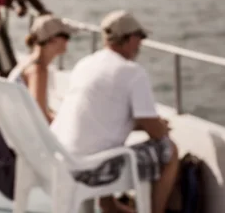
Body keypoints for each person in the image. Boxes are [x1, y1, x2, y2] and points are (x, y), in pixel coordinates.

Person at [50, 11, 178, 213]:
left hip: (60, 159)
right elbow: (156, 133)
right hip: (90, 170)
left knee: (103, 143)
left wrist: (141, 124)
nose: (141, 44)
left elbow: (103, 116)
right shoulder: (133, 72)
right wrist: (161, 126)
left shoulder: (86, 64)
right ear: (129, 38)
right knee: (169, 150)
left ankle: (109, 205)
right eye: (140, 37)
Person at [9, 14, 74, 123]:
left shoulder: (27, 62)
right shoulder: (37, 70)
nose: (68, 42)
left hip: (16, 128)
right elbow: (39, 117)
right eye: (66, 37)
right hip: (27, 134)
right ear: (53, 39)